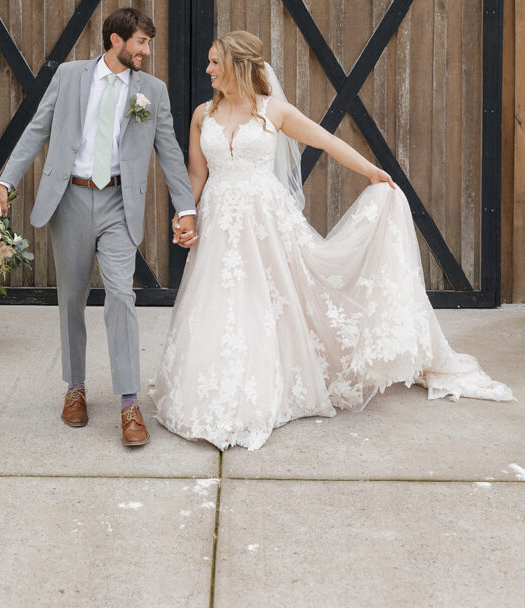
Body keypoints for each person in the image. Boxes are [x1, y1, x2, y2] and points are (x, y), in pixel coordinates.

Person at [151, 31, 513, 451]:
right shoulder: (202, 115)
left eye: (216, 63)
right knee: (218, 301)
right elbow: (197, 176)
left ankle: (272, 384)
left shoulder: (276, 111)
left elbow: (328, 141)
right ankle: (209, 388)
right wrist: (185, 216)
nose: (209, 70)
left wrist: (372, 172)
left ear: (238, 65)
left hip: (266, 220)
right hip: (219, 222)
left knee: (271, 301)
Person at [0, 8, 196, 447]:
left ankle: (128, 402)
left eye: (148, 44)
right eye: (140, 42)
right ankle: (75, 388)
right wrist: (6, 181)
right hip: (70, 200)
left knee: (122, 294)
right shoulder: (69, 77)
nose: (146, 51)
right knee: (71, 298)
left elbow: (172, 154)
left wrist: (187, 208)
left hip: (121, 204)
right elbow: (36, 130)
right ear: (116, 40)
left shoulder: (152, 92)